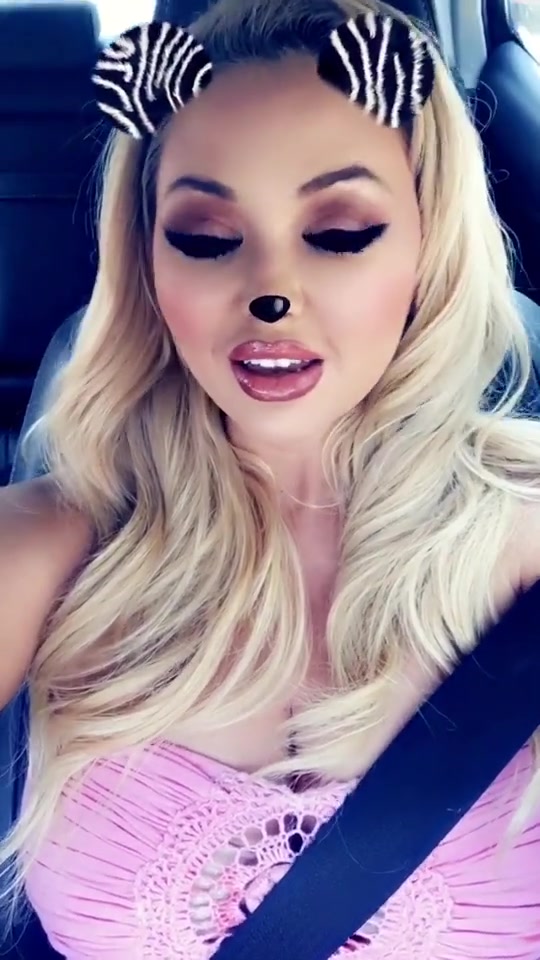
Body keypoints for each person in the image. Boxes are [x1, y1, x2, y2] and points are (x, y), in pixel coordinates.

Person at [0, 0, 539, 955]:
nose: (270, 293)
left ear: (429, 244)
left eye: (341, 231)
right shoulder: (48, 547)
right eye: (207, 236)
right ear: (146, 262)